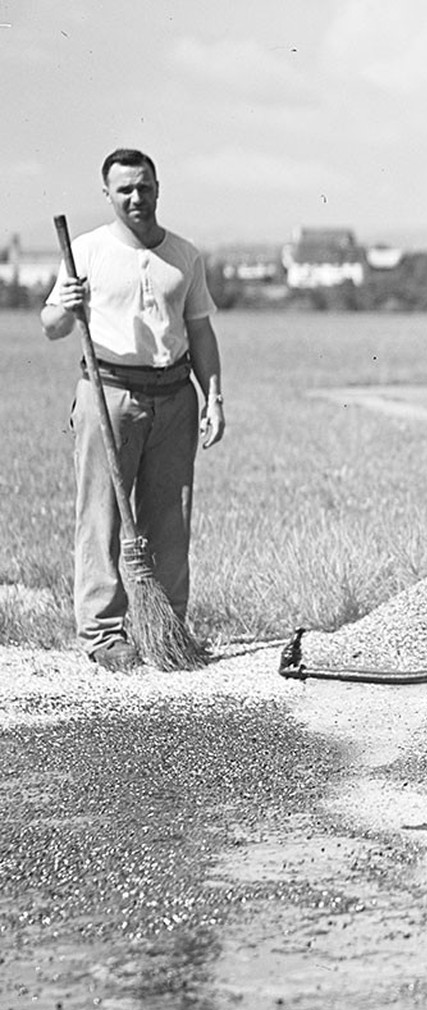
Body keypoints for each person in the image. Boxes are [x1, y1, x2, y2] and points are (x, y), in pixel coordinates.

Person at [41, 148, 225, 671]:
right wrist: (66, 304)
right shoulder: (88, 251)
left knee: (171, 514)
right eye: (124, 189)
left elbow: (201, 329)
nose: (136, 197)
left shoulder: (185, 256)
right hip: (109, 394)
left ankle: (167, 628)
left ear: (158, 187)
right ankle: (103, 633)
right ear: (108, 194)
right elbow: (51, 325)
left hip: (175, 395)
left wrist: (213, 395)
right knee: (99, 513)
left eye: (144, 186)